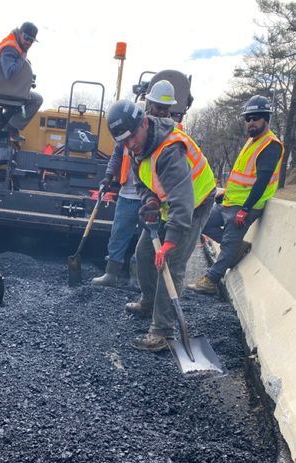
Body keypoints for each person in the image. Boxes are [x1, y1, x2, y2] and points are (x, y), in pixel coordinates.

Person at [106, 100, 216, 352]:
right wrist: (151, 202)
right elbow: (143, 185)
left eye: (133, 136)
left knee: (171, 263)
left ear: (144, 122)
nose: (130, 143)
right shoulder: (134, 148)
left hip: (195, 203)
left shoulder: (169, 150)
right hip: (169, 204)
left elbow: (184, 204)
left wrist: (168, 244)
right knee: (143, 253)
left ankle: (163, 331)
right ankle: (148, 302)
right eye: (124, 140)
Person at [187, 95, 284, 294]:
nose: (250, 123)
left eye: (255, 118)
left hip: (246, 206)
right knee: (201, 221)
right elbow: (242, 175)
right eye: (247, 118)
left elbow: (262, 181)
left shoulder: (270, 145)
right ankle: (237, 249)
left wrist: (246, 209)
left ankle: (211, 280)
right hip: (230, 201)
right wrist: (225, 194)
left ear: (266, 119)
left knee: (230, 242)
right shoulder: (252, 141)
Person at [92, 80, 178, 288]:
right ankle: (111, 273)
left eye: (166, 109)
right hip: (128, 193)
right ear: (149, 103)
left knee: (146, 239)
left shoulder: (168, 133)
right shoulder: (129, 124)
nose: (162, 112)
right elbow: (117, 154)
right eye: (158, 107)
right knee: (119, 233)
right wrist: (108, 175)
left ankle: (137, 277)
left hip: (151, 197)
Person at [0, 22, 43, 142]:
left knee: (21, 104)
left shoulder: (18, 47)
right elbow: (9, 72)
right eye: (26, 38)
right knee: (37, 99)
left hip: (6, 88)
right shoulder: (11, 48)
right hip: (2, 89)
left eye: (31, 40)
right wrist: (22, 59)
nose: (28, 42)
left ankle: (4, 125)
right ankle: (11, 129)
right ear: (20, 33)